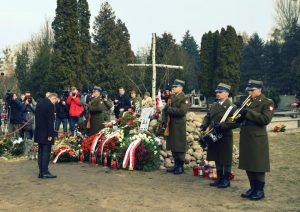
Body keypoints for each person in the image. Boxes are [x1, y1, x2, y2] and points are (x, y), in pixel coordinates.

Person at [238, 80, 274, 200]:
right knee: (248, 163)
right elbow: (240, 119)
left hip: (257, 138)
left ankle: (259, 190)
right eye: (248, 90)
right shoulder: (247, 102)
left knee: (258, 165)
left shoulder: (267, 102)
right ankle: (252, 188)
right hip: (246, 136)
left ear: (259, 89)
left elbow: (265, 119)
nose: (250, 92)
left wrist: (249, 112)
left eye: (252, 90)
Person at [200, 83, 237, 188]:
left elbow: (233, 122)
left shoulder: (232, 107)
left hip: (225, 135)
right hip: (214, 135)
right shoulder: (214, 105)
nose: (217, 94)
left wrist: (223, 126)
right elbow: (208, 116)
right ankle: (219, 177)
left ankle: (226, 179)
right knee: (216, 156)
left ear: (227, 94)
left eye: (220, 92)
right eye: (217, 92)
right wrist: (204, 125)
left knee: (226, 158)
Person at [164, 79, 189, 175]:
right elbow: (165, 110)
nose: (173, 88)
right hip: (171, 124)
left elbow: (182, 111)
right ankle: (176, 164)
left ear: (181, 88)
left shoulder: (184, 98)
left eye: (175, 87)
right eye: (173, 87)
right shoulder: (172, 98)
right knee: (173, 145)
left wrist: (169, 109)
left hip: (179, 125)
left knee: (179, 145)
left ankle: (180, 166)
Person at [34, 93, 58, 179]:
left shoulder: (39, 103)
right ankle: (45, 172)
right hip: (46, 133)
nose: (55, 102)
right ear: (53, 98)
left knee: (40, 152)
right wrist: (50, 134)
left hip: (39, 131)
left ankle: (41, 171)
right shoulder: (50, 105)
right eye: (55, 100)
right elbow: (50, 121)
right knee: (46, 153)